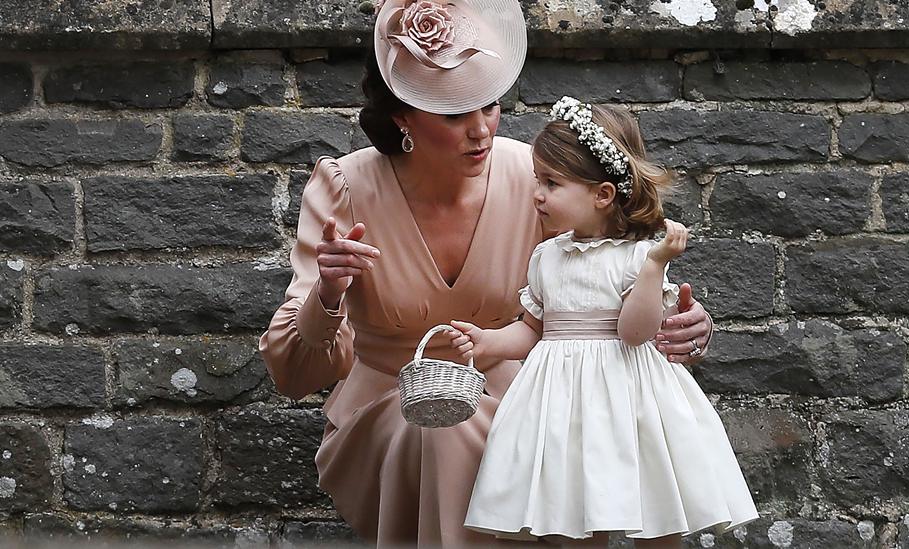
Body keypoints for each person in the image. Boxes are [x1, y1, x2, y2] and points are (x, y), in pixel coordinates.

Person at [258, 0, 715, 545]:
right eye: (455, 115)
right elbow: (294, 373)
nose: (481, 131)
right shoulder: (345, 188)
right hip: (395, 409)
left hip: (532, 400)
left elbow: (611, 275)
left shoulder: (539, 180)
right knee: (439, 430)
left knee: (550, 437)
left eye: (491, 107)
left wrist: (684, 323)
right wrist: (329, 293)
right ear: (403, 117)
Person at [450, 97, 758, 547]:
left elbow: (634, 333)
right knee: (573, 513)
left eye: (552, 183)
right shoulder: (546, 257)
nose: (537, 194)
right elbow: (534, 329)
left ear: (602, 194)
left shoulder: (636, 258)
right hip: (563, 405)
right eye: (538, 180)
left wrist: (655, 267)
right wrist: (490, 342)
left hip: (632, 400)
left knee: (654, 508)